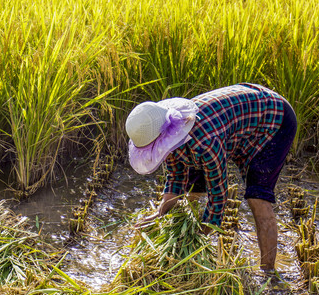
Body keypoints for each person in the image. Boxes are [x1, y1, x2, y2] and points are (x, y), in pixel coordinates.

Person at [125, 83, 297, 271]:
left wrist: (197, 238)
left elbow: (218, 197)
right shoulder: (169, 135)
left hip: (272, 120)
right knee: (193, 191)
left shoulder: (205, 142)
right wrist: (160, 213)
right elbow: (176, 177)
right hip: (236, 121)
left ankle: (268, 272)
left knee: (257, 197)